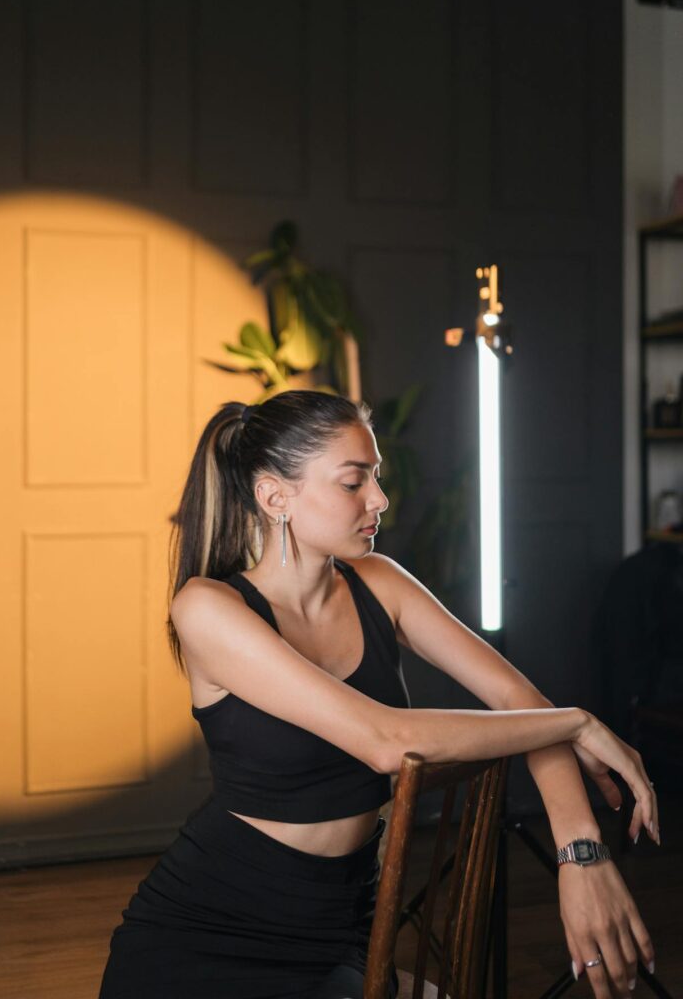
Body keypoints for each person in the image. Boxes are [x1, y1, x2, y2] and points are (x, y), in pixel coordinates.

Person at [99, 390, 658, 999]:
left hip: (344, 928)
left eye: (377, 478)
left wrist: (582, 855)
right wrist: (575, 723)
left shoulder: (381, 584)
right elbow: (386, 741)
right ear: (274, 497)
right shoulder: (208, 609)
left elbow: (518, 700)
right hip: (209, 933)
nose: (380, 500)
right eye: (352, 482)